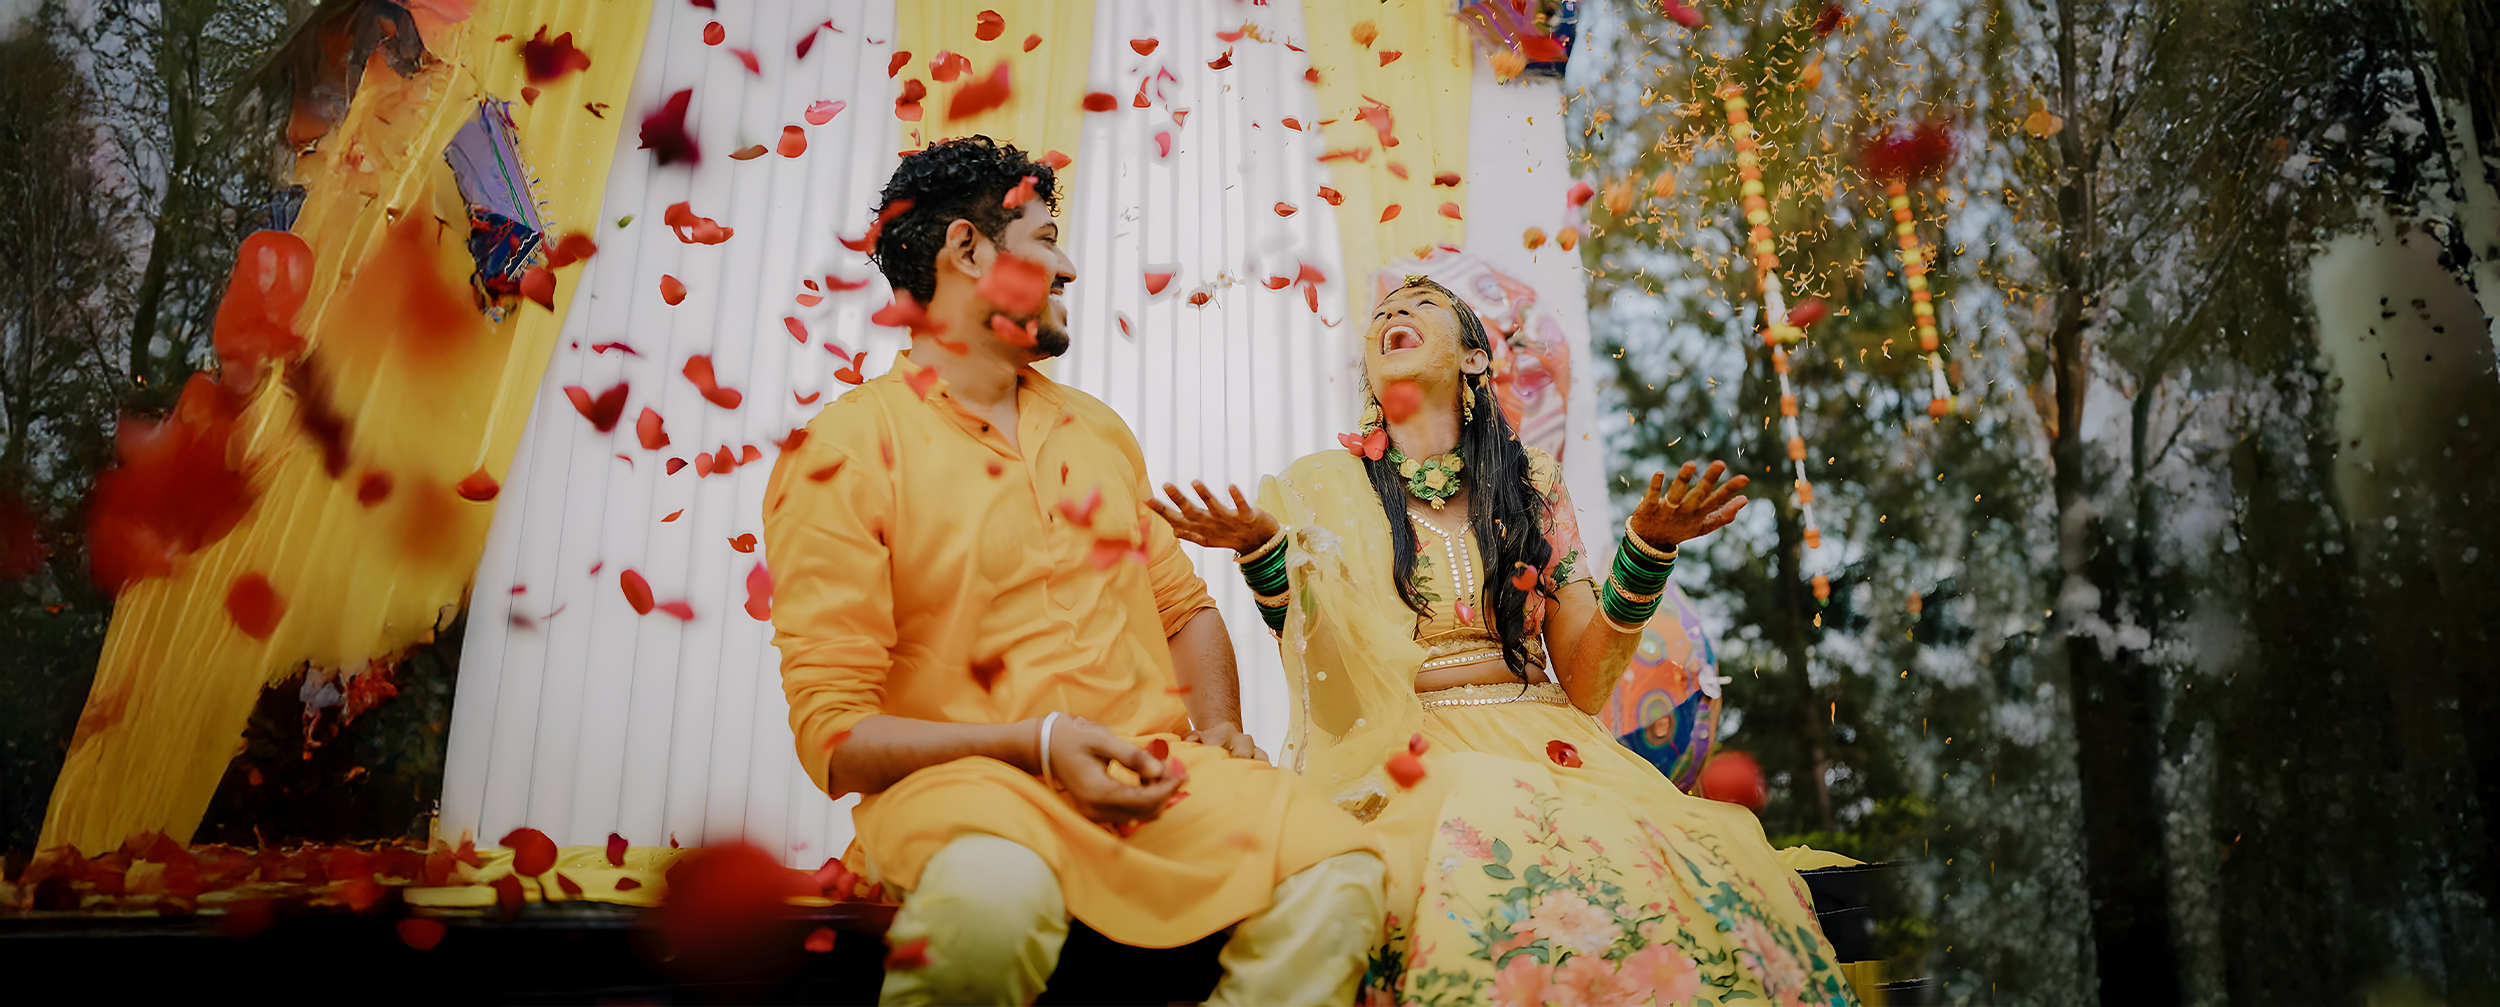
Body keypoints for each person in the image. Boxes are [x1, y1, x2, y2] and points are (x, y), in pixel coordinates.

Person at [762, 137, 1385, 1007]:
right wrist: (1038, 742)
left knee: (1339, 872)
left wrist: (1217, 724)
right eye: (1046, 240)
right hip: (971, 795)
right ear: (968, 251)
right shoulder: (847, 449)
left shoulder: (1095, 429)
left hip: (1151, 777)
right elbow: (834, 738)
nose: (1070, 268)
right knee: (993, 904)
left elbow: (1182, 610)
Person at [1151, 276, 1859, 1006]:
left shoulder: (1532, 482)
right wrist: (1266, 557)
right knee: (1471, 834)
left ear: (1474, 359)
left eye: (1423, 304)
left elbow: (1586, 681)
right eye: (1384, 311)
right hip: (1408, 753)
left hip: (1551, 743)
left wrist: (1646, 553)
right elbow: (1330, 686)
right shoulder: (1317, 487)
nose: (1394, 311)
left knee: (1680, 868)